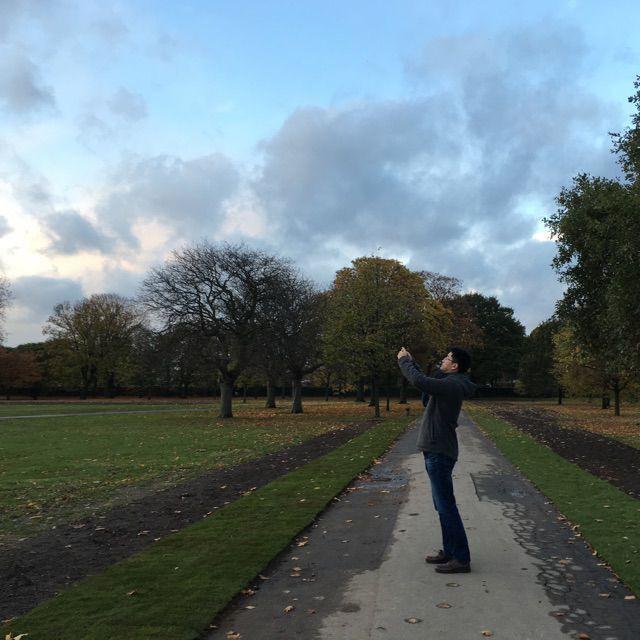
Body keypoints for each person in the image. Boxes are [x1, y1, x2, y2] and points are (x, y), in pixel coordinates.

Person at [397, 346, 476, 574]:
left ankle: (461, 558)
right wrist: (414, 362)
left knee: (446, 506)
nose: (443, 359)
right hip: (437, 450)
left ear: (455, 366)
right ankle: (450, 551)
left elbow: (419, 382)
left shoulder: (453, 385)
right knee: (441, 506)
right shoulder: (450, 383)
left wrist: (404, 362)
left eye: (448, 358)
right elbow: (426, 390)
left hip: (439, 451)